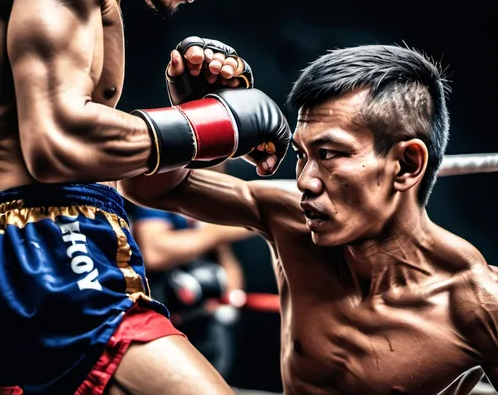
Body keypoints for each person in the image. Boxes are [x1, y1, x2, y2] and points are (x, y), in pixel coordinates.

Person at [0, 0, 291, 393]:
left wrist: (196, 119)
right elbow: (58, 142)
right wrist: (221, 123)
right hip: (43, 247)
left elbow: (131, 181)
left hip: (37, 250)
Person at [121, 44, 498, 395]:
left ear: (406, 165)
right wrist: (196, 122)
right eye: (302, 154)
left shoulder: (478, 303)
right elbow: (148, 188)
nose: (304, 180)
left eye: (330, 153)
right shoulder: (290, 220)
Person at [126, 199, 252, 377]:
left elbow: (228, 266)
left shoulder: (207, 203)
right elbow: (154, 252)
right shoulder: (151, 192)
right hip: (162, 325)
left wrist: (229, 298)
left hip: (204, 325)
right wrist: (230, 228)